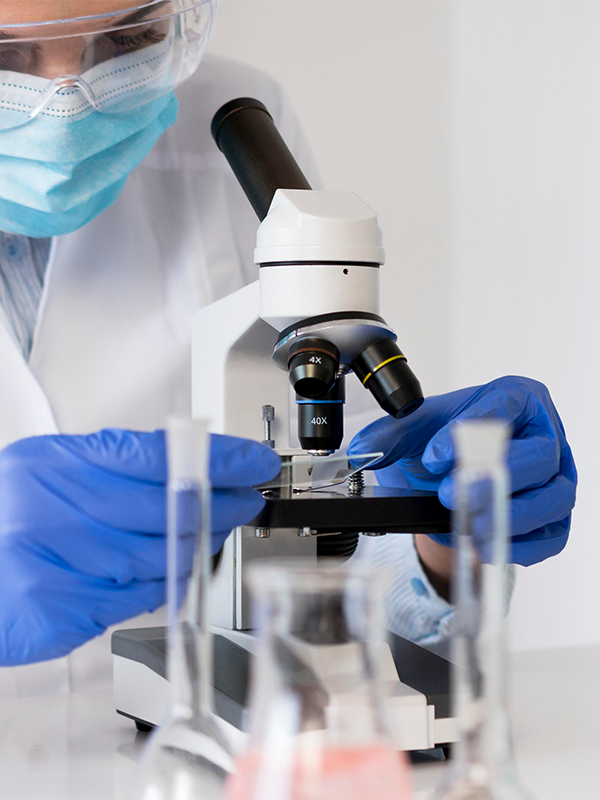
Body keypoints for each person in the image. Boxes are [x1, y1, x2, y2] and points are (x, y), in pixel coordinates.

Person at [0, 1, 576, 694]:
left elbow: (326, 525)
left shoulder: (233, 114)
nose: (71, 105)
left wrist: (440, 543)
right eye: (5, 52)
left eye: (128, 37)